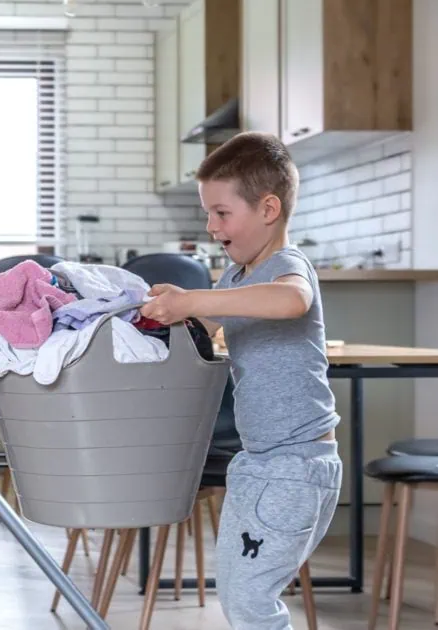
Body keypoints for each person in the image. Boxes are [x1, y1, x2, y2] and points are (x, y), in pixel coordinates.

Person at [140, 131, 342, 629]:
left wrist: (195, 300)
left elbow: (291, 301)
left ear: (268, 209)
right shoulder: (236, 277)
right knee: (237, 593)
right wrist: (161, 308)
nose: (211, 226)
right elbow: (202, 331)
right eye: (208, 214)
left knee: (252, 601)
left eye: (222, 213)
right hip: (259, 463)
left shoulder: (285, 267)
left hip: (296, 465)